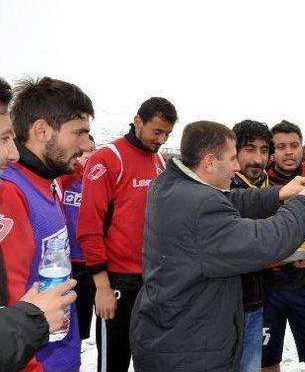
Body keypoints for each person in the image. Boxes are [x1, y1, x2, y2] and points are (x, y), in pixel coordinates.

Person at [130, 120, 305, 371]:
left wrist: (278, 193)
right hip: (190, 349)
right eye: (232, 158)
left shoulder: (171, 185)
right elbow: (263, 242)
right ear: (210, 162)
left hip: (172, 333)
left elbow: (230, 200)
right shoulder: (201, 205)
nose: (237, 166)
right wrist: (304, 204)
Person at [0, 76, 94, 371]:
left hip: (62, 351)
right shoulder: (11, 192)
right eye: (78, 133)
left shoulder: (50, 181)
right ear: (42, 130)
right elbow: (11, 306)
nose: (86, 144)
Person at [77, 97, 177, 371]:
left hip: (152, 281)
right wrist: (102, 287)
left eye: (167, 134)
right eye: (157, 131)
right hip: (117, 282)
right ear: (138, 122)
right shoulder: (108, 158)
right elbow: (89, 227)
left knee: (151, 360)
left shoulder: (159, 159)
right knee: (114, 363)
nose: (161, 139)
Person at [263, 120, 305, 372]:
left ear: (302, 147)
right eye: (281, 147)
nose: (288, 152)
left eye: (294, 145)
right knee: (266, 360)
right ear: (272, 151)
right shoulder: (260, 181)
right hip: (269, 285)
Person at [229, 119, 273, 371]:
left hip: (257, 299)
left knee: (251, 367)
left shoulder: (276, 189)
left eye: (264, 150)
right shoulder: (220, 187)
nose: (258, 159)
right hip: (223, 303)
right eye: (249, 149)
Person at [58, 134, 96, 340]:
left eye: (90, 153)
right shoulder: (67, 179)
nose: (85, 159)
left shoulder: (97, 183)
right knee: (62, 321)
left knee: (81, 326)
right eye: (80, 154)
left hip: (90, 261)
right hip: (67, 261)